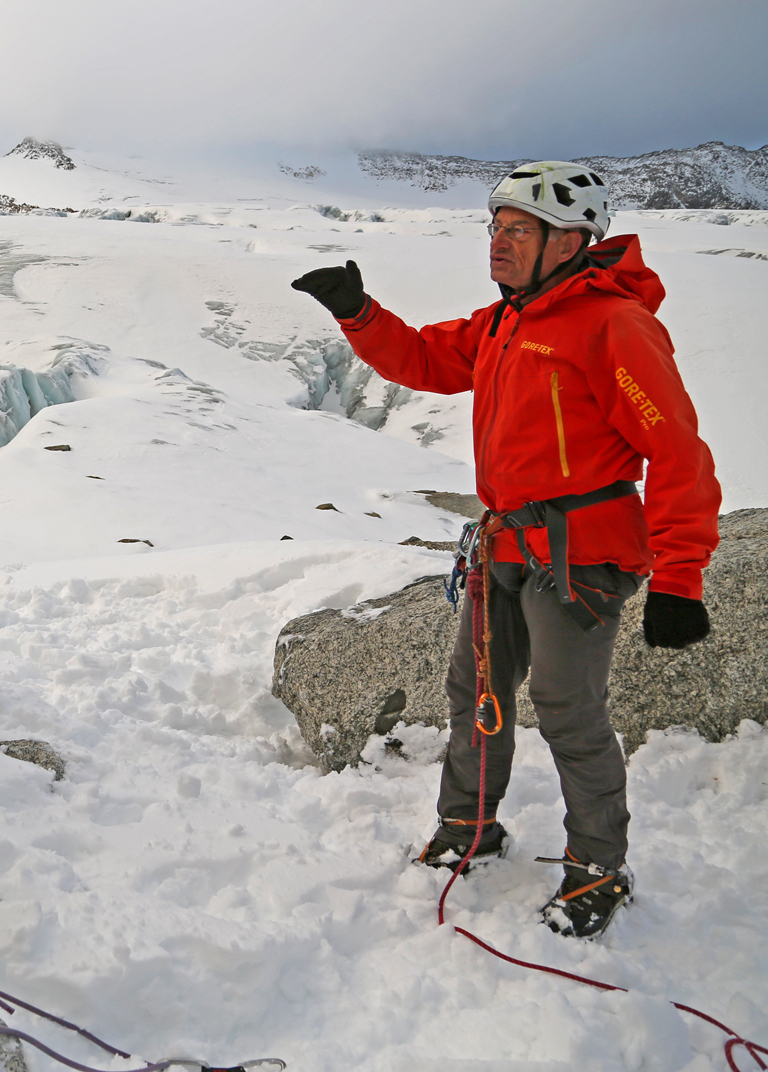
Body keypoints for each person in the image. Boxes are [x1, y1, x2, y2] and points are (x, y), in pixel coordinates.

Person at [291, 161, 720, 939]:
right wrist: (359, 313)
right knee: (475, 695)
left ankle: (597, 864)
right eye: (496, 227)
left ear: (571, 241)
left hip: (581, 555)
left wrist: (680, 577)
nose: (499, 242)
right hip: (506, 545)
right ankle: (470, 826)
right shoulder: (506, 321)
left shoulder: (614, 326)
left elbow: (679, 452)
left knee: (567, 709)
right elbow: (423, 359)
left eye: (519, 229)